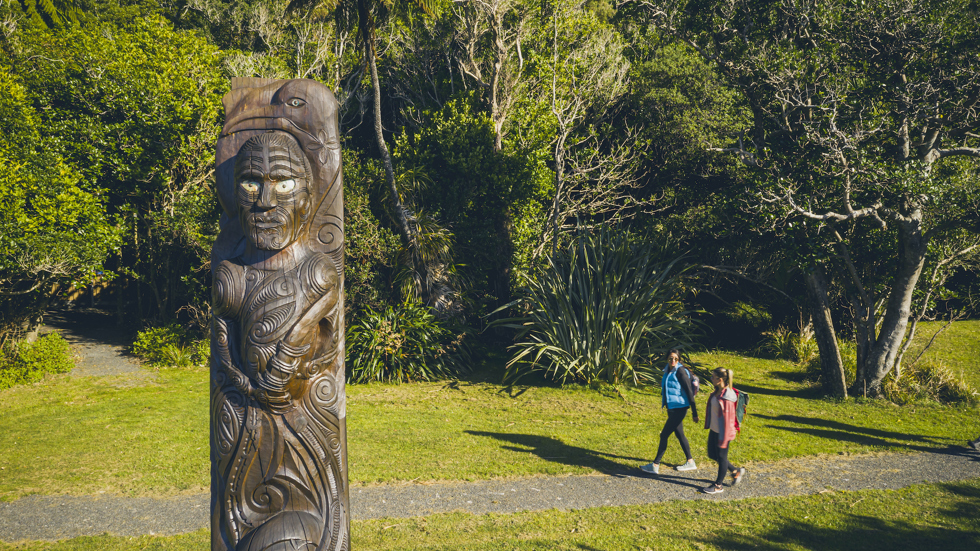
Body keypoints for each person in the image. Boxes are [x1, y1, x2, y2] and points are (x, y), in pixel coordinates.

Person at [641, 349, 699, 474]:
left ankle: (655, 465)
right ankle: (690, 462)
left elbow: (689, 392)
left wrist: (695, 413)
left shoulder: (680, 371)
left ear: (679, 360)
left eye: (675, 359)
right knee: (679, 434)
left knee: (664, 435)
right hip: (672, 408)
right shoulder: (667, 370)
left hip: (680, 408)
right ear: (667, 359)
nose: (673, 361)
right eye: (670, 358)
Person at [701, 367, 746, 494]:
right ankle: (735, 471)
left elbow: (729, 420)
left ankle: (718, 485)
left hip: (723, 433)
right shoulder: (717, 392)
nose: (711, 379)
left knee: (721, 457)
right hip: (715, 429)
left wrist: (724, 438)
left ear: (720, 380)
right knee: (713, 454)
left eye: (713, 377)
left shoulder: (727, 397)